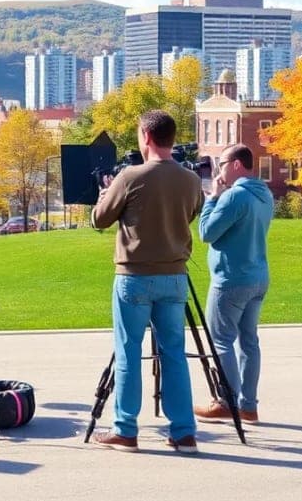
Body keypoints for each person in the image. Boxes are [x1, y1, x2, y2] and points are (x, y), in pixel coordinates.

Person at [90, 110, 204, 454]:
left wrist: (104, 195)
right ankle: (183, 431)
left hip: (135, 276)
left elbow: (100, 220)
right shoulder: (191, 179)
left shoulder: (130, 176)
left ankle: (125, 429)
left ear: (147, 137)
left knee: (128, 352)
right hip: (175, 276)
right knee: (174, 354)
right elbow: (193, 211)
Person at [195, 143, 273, 424]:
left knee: (221, 341)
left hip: (231, 279)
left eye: (223, 163)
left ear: (237, 164)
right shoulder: (264, 194)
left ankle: (226, 401)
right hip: (257, 276)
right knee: (249, 342)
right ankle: (248, 406)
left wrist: (212, 198)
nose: (219, 170)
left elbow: (206, 233)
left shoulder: (234, 196)